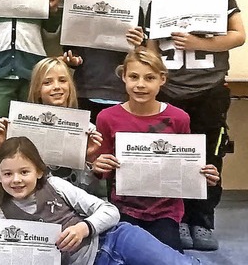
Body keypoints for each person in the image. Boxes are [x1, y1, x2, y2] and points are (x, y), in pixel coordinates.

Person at [147, 0, 245, 250]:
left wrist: (200, 42)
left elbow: (238, 35)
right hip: (170, 93)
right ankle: (177, 218)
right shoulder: (158, 1)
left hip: (209, 91)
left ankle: (202, 220)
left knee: (209, 158)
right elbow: (151, 50)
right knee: (172, 159)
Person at [0, 137, 202, 265]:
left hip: (114, 239)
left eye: (24, 171)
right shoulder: (1, 213)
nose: (16, 180)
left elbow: (110, 211)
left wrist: (83, 228)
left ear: (39, 171)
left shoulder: (56, 186)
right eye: (7, 174)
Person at [92, 47, 221, 252]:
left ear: (162, 79)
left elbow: (186, 165)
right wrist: (98, 165)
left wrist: (202, 176)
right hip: (123, 208)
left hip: (165, 211)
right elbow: (102, 170)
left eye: (149, 78)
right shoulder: (107, 118)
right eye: (134, 77)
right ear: (123, 77)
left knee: (167, 257)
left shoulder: (179, 118)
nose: (140, 85)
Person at [0, 58, 103, 194]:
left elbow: (89, 190)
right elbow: (8, 181)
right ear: (37, 90)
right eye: (47, 82)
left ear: (70, 86)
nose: (56, 86)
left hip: (72, 208)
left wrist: (88, 159)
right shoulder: (19, 129)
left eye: (62, 80)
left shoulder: (88, 130)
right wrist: (3, 146)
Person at [62, 0, 145, 123]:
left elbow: (141, 56)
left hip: (120, 90)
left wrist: (139, 45)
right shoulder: (78, 8)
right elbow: (70, 50)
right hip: (85, 89)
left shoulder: (134, 10)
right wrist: (72, 60)